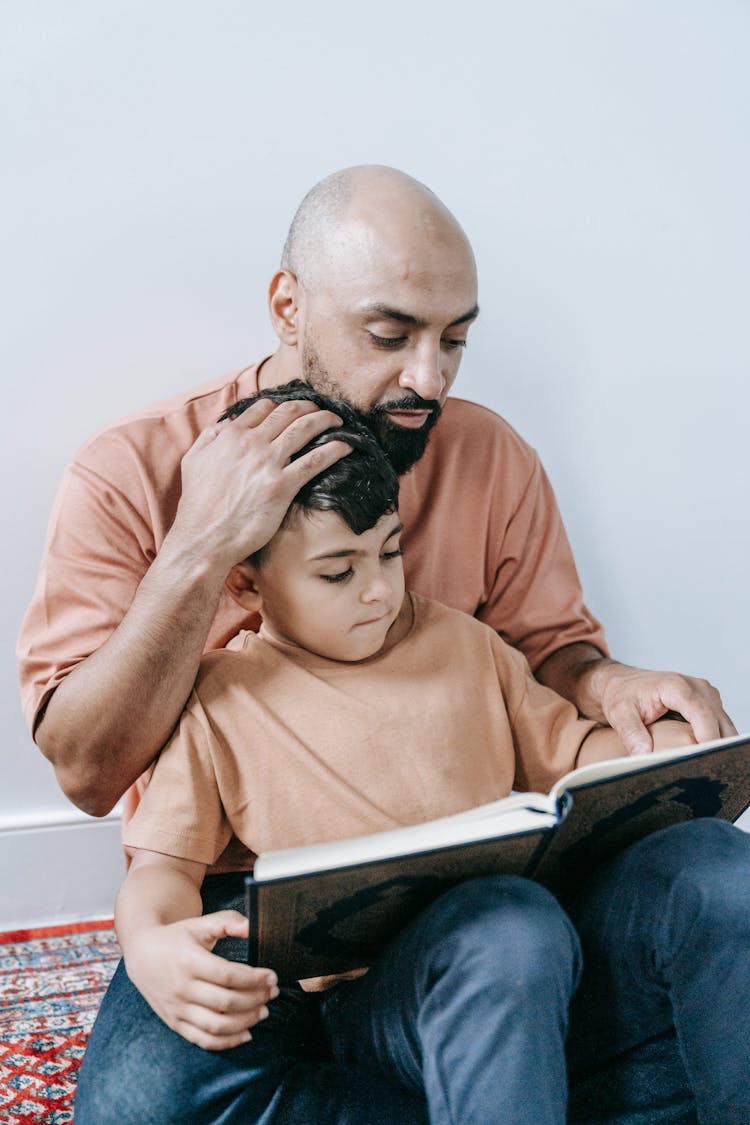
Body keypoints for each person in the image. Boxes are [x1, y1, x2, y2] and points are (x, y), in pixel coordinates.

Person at [74, 386, 750, 1125]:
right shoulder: (220, 699)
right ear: (246, 581)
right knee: (509, 925)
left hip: (543, 966)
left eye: (391, 552)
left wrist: (671, 749)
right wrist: (151, 947)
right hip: (390, 1002)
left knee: (720, 864)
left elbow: (575, 759)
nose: (379, 591)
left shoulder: (465, 643)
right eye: (338, 571)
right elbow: (163, 872)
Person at [17, 165, 734, 828]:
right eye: (390, 335)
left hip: (478, 867)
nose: (430, 378)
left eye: (454, 339)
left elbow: (549, 655)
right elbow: (87, 774)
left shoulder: (490, 455)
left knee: (713, 867)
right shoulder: (128, 471)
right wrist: (200, 547)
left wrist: (608, 682)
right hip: (241, 885)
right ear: (289, 307)